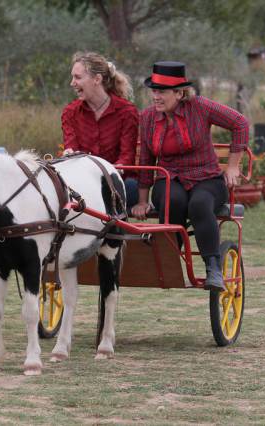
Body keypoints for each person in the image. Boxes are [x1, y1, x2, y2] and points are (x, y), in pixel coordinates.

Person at [131, 61, 249, 291]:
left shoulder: (200, 107)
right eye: (153, 91)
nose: (155, 96)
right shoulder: (147, 118)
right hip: (169, 177)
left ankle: (213, 267)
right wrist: (143, 200)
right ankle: (170, 260)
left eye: (161, 92)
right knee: (171, 201)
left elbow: (240, 123)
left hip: (207, 178)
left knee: (199, 204)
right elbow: (146, 160)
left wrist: (233, 166)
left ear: (179, 92)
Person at [61, 51, 139, 209]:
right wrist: (69, 154)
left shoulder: (126, 112)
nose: (72, 83)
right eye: (72, 77)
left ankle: (113, 230)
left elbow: (126, 157)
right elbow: (72, 149)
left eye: (77, 77)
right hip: (83, 179)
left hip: (118, 180)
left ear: (97, 79)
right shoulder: (70, 112)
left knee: (127, 188)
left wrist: (104, 176)